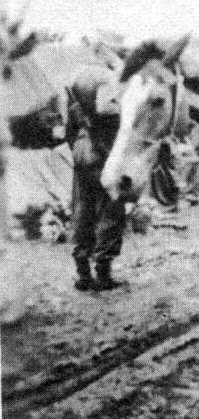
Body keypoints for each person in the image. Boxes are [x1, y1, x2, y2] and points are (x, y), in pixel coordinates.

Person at [67, 66, 126, 291]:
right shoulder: (108, 81)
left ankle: (83, 274)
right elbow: (108, 112)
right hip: (103, 151)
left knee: (83, 210)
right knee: (112, 210)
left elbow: (69, 130)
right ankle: (103, 273)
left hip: (81, 149)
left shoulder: (77, 83)